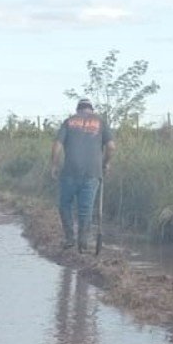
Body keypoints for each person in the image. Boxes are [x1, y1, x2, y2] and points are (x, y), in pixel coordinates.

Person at [50, 99, 113, 251]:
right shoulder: (101, 122)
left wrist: (54, 165)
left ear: (78, 110)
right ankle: (83, 243)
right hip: (92, 172)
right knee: (86, 209)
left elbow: (57, 145)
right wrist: (105, 163)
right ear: (91, 109)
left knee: (65, 205)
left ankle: (69, 239)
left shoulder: (69, 121)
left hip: (70, 171)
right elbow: (111, 146)